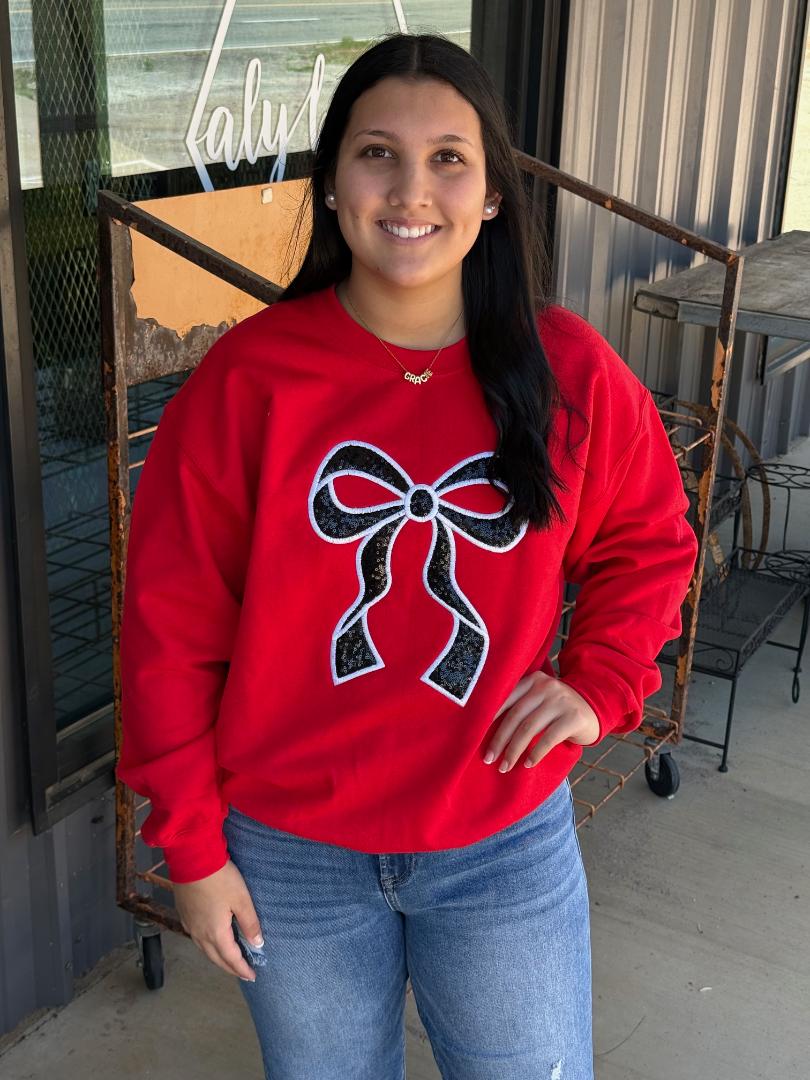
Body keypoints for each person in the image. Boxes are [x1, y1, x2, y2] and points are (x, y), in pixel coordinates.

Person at [117, 31, 698, 1080]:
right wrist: (192, 850)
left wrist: (600, 682)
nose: (410, 189)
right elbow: (170, 627)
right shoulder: (248, 382)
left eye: (448, 159)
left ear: (490, 199)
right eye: (377, 153)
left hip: (500, 839)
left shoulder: (570, 370)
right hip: (291, 855)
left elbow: (648, 540)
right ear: (333, 184)